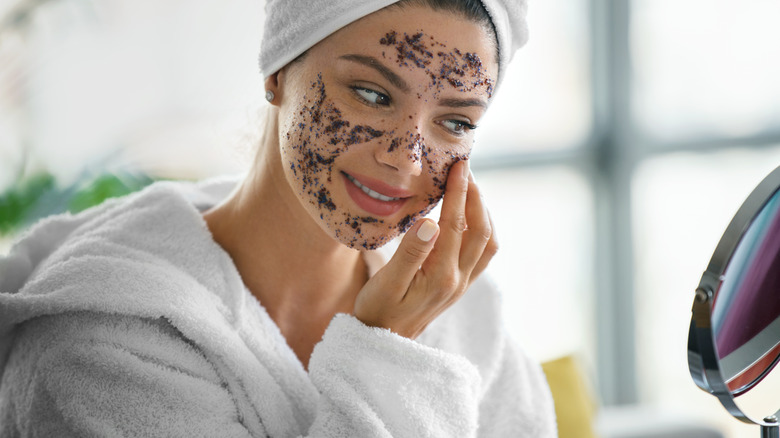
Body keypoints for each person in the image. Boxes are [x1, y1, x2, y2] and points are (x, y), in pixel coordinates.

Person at [0, 0, 557, 436]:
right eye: (371, 93)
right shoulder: (101, 342)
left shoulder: (466, 318)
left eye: (455, 124)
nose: (407, 158)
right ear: (277, 70)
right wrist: (388, 349)